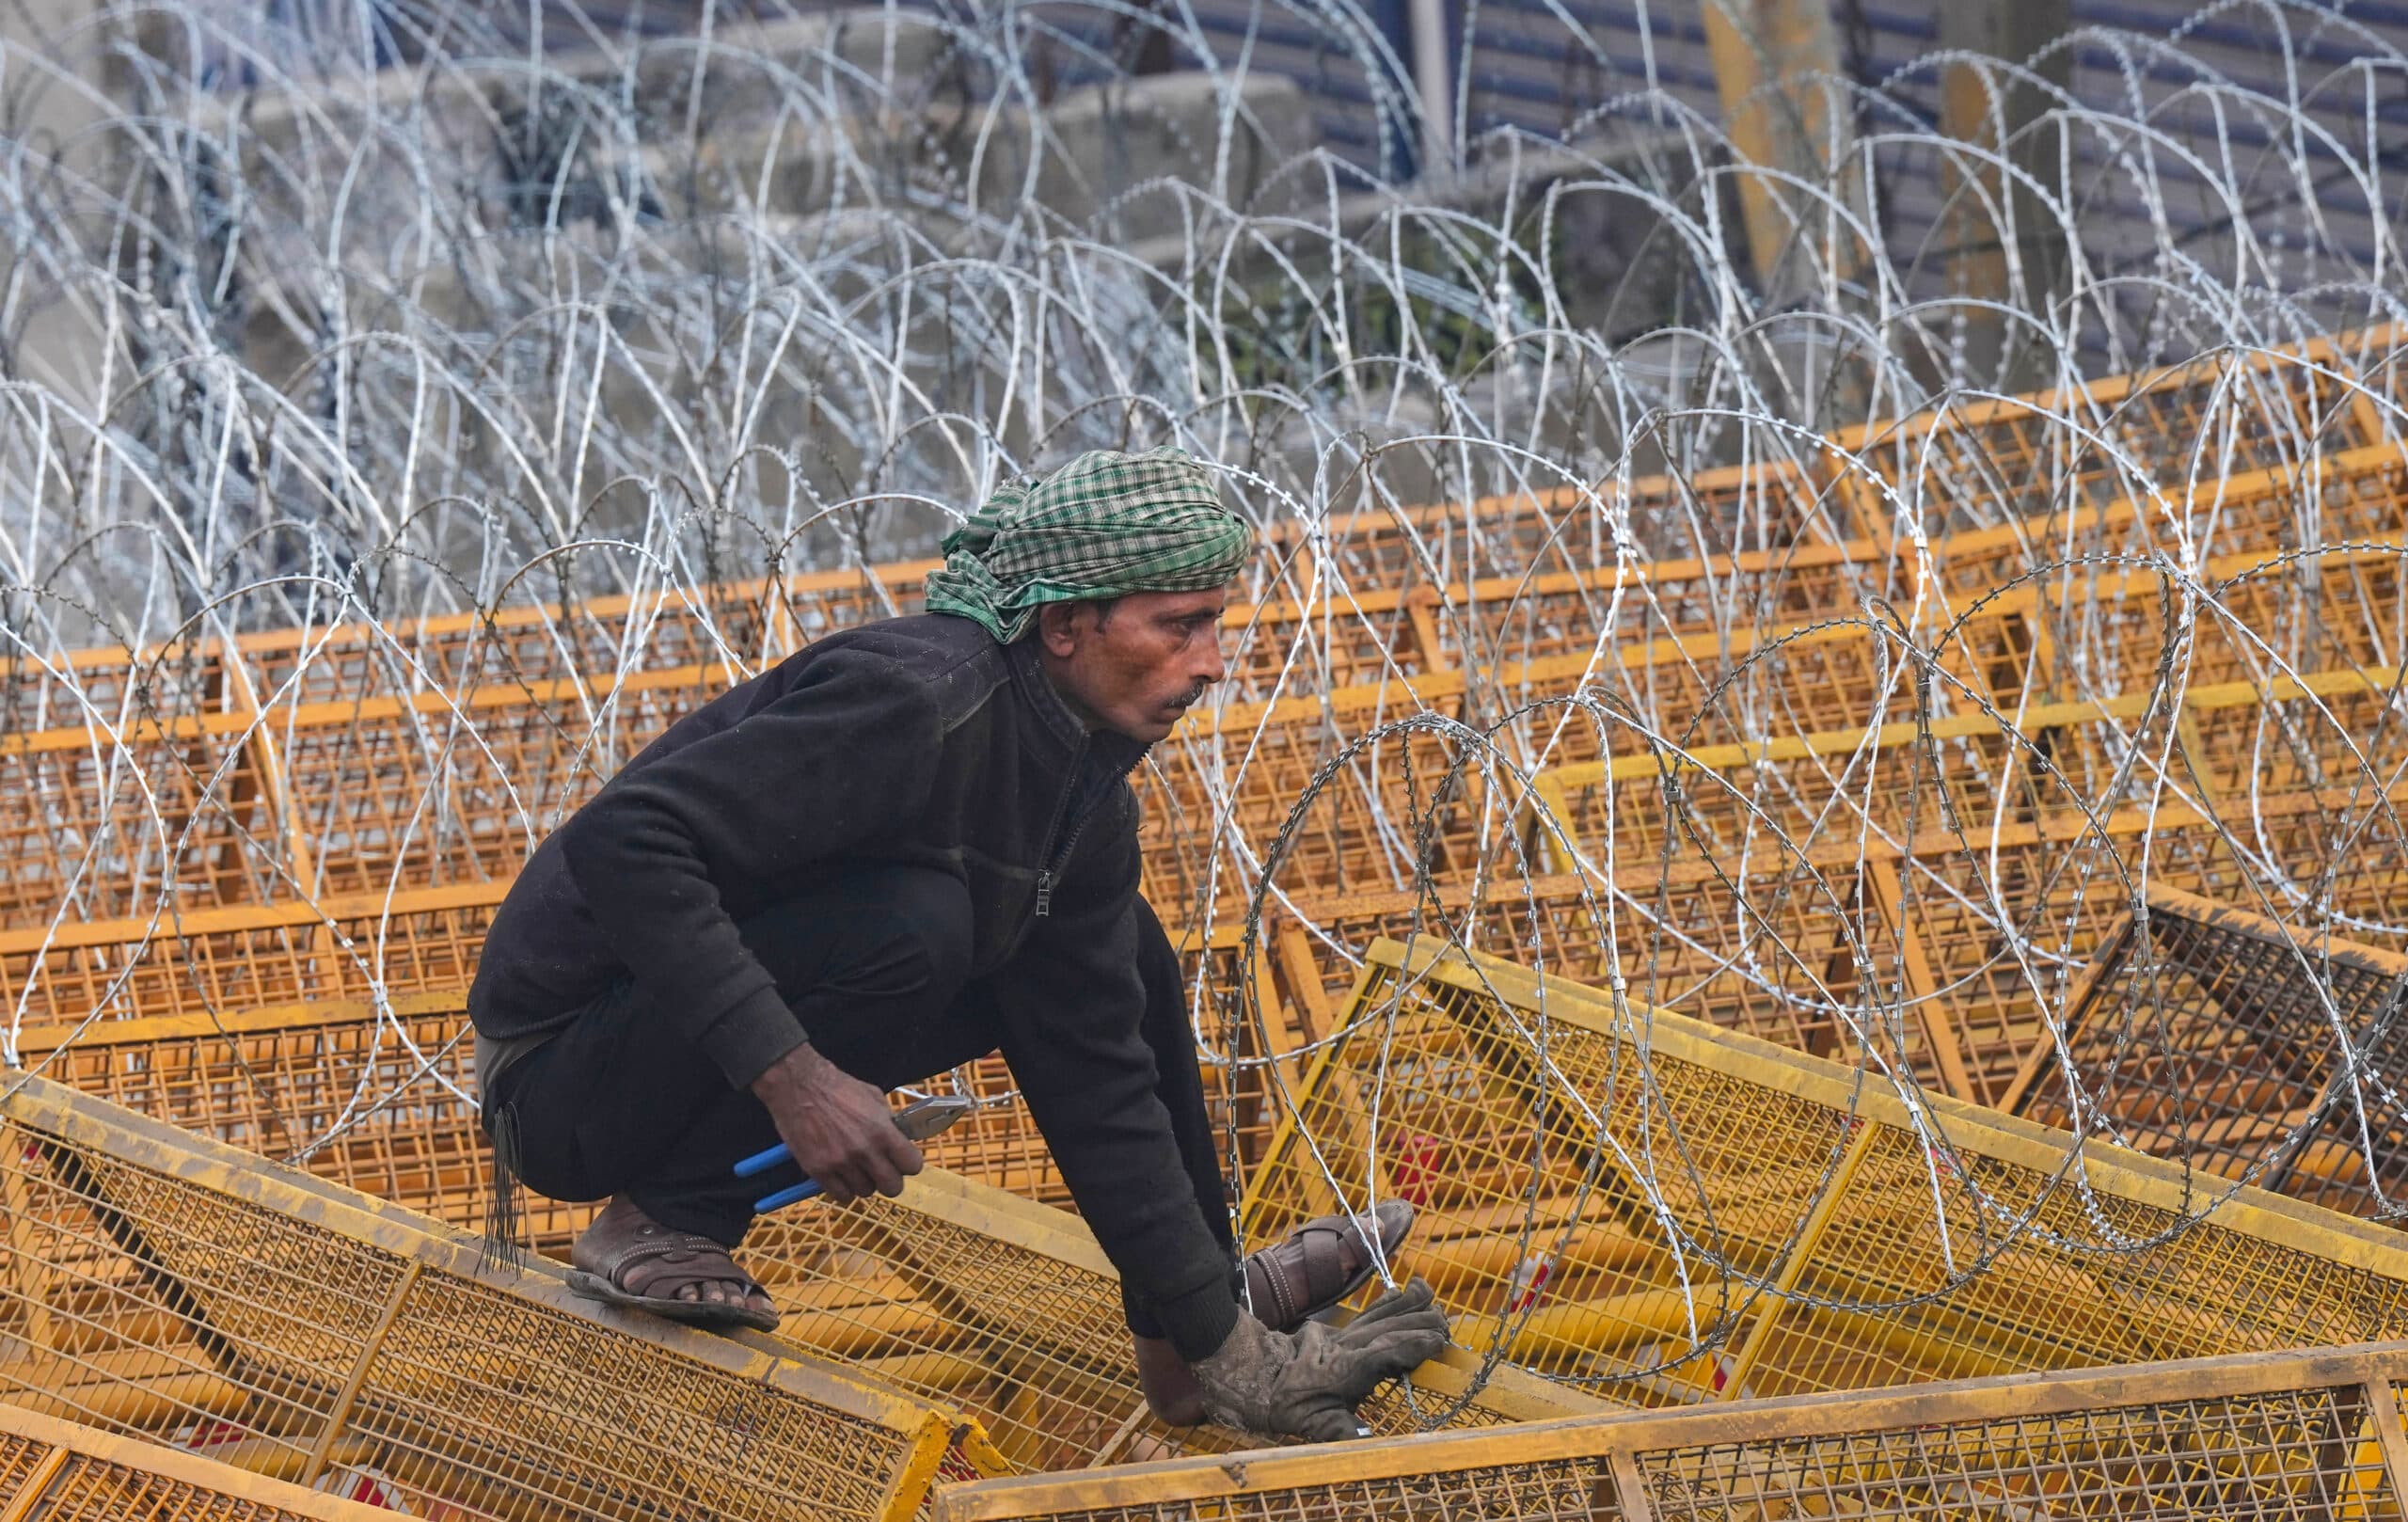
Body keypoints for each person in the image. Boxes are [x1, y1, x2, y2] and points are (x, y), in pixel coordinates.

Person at [467, 446, 1449, 1441]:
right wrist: (796, 1079)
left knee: (1125, 955)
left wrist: (1216, 1344)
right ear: (1064, 626)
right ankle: (662, 1217)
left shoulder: (1080, 795)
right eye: (1179, 625)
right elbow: (624, 841)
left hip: (671, 1056)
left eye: (1215, 625)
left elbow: (1098, 1075)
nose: (1212, 662)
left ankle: (1190, 1339)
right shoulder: (918, 698)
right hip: (557, 1080)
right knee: (921, 922)